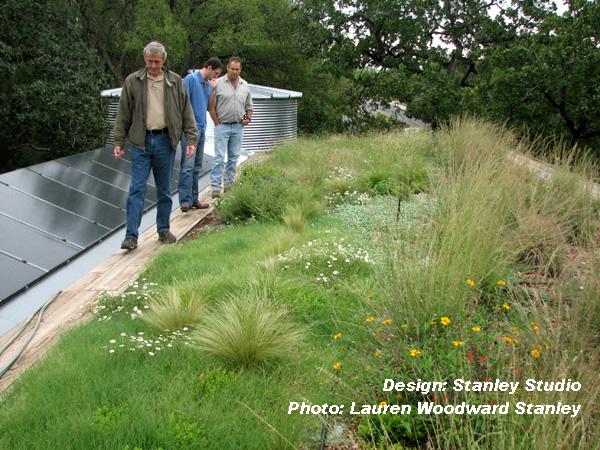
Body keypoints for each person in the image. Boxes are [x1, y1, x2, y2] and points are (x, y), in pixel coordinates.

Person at [113, 41, 198, 250]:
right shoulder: (133, 82)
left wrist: (192, 139)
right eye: (150, 62)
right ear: (145, 60)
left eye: (157, 62)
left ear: (163, 60)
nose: (153, 66)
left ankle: (163, 229)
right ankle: (131, 236)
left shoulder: (175, 82)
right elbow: (123, 114)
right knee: (137, 188)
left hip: (165, 141)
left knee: (164, 189)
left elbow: (187, 112)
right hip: (141, 142)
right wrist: (118, 141)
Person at [179, 57, 223, 212]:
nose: (216, 77)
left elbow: (210, 106)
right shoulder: (191, 80)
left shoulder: (208, 85)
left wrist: (245, 119)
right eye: (216, 73)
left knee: (197, 166)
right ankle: (184, 200)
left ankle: (194, 198)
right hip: (191, 129)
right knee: (188, 166)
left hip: (208, 127)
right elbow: (183, 103)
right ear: (209, 67)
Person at [208, 56, 253, 198]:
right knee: (219, 157)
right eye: (232, 69)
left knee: (234, 157)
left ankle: (228, 185)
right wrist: (217, 123)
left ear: (240, 70)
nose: (234, 71)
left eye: (237, 69)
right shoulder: (218, 84)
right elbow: (211, 106)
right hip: (222, 126)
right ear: (227, 68)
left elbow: (249, 106)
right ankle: (215, 187)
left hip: (238, 127)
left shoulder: (245, 85)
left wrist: (247, 119)